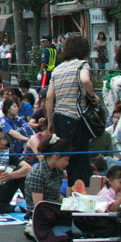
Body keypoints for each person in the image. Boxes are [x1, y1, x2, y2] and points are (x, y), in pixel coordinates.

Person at [43, 34, 96, 186]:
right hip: (75, 119)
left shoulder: (58, 69)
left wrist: (50, 122)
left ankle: (65, 194)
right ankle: (80, 197)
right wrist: (92, 97)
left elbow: (49, 98)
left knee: (64, 159)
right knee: (79, 161)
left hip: (59, 119)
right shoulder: (82, 65)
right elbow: (85, 80)